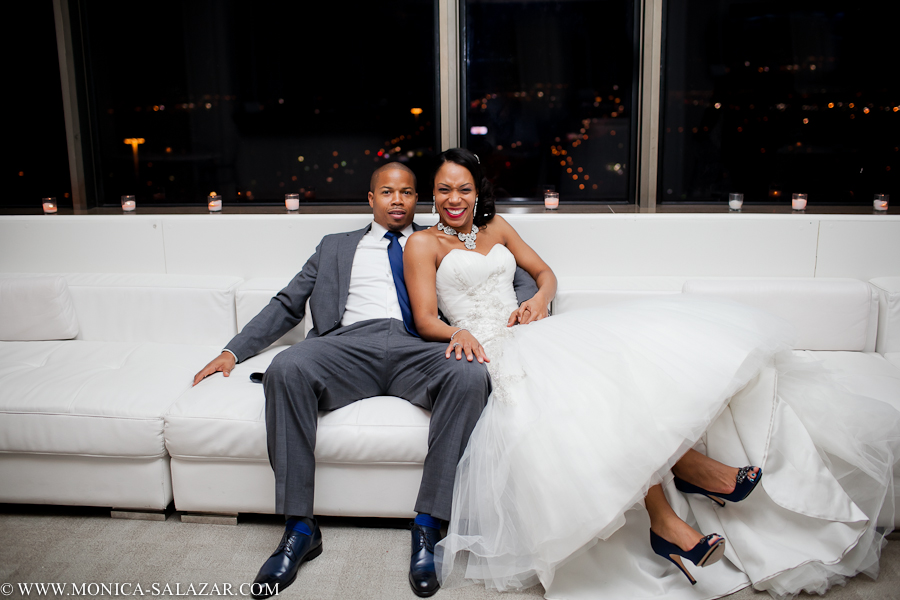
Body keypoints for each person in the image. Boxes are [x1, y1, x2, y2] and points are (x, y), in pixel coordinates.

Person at [403, 148, 899, 599]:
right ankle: (682, 487)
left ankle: (673, 507)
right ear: (434, 194)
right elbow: (426, 317)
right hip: (487, 350)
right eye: (444, 189)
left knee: (618, 383)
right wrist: (455, 334)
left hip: (533, 336)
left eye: (463, 188)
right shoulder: (422, 244)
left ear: (477, 191)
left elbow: (547, 274)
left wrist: (536, 300)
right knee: (582, 407)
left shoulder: (499, 229)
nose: (454, 198)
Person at [192, 162, 538, 599]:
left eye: (408, 193)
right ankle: (299, 529)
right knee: (287, 368)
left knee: (469, 375)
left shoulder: (438, 240)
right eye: (388, 192)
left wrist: (526, 308)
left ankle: (429, 527)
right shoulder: (335, 246)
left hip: (420, 345)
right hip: (347, 344)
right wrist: (232, 351)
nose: (398, 200)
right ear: (371, 199)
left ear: (419, 200)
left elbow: (513, 275)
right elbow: (287, 303)